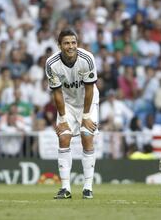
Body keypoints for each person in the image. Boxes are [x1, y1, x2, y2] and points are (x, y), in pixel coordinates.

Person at [45, 29, 99, 199]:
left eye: (73, 42)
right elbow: (57, 93)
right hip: (67, 104)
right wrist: (61, 118)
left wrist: (85, 117)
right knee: (63, 137)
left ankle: (88, 188)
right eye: (67, 43)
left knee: (86, 135)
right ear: (59, 45)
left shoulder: (87, 59)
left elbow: (89, 89)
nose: (71, 46)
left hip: (87, 102)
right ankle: (65, 188)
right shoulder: (51, 63)